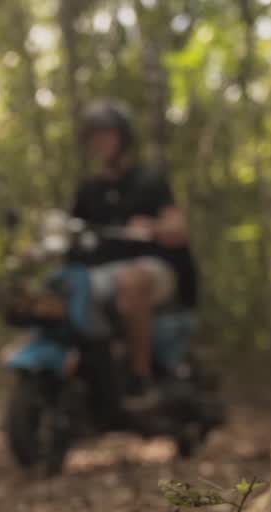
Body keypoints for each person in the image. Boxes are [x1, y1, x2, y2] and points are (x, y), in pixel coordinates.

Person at [69, 99, 197, 409]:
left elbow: (179, 229)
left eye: (107, 134)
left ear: (123, 137)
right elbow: (69, 231)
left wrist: (153, 227)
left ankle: (141, 378)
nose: (100, 143)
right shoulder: (88, 190)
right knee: (60, 287)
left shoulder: (149, 182)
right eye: (94, 136)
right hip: (101, 275)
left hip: (153, 271)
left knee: (131, 279)